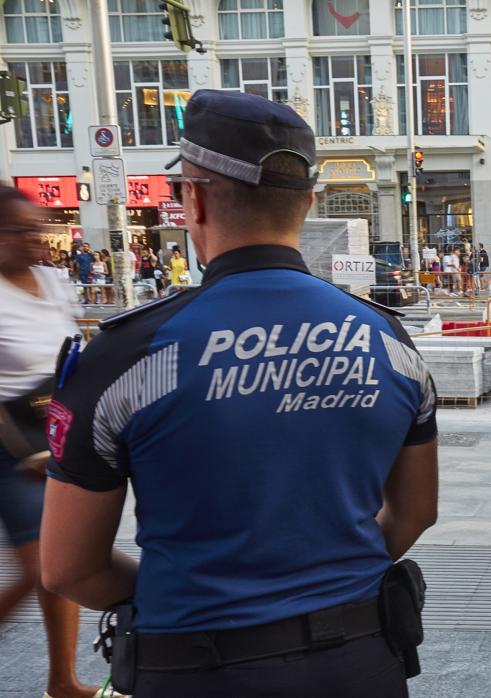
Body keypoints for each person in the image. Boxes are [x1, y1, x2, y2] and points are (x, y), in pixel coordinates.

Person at [39, 90, 440, 695]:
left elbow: (69, 566)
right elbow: (416, 510)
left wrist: (183, 596)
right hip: (360, 660)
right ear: (307, 202)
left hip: (198, 666)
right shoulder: (387, 339)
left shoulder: (127, 357)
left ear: (193, 197)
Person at [0, 186, 106, 698]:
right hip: (10, 442)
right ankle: (62, 681)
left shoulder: (51, 280)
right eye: (18, 230)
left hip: (55, 427)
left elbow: (71, 355)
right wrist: (26, 454)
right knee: (44, 566)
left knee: (55, 563)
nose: (32, 238)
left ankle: (63, 680)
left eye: (35, 228)